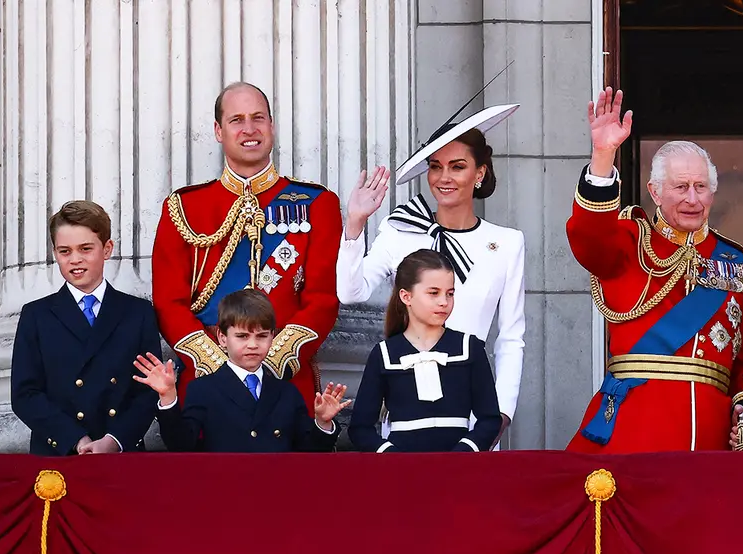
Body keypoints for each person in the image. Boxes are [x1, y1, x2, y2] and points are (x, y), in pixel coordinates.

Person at [565, 88, 743, 454]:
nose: (692, 199)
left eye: (701, 187)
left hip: (711, 437)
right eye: (681, 187)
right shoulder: (628, 242)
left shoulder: (736, 263)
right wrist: (603, 156)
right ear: (655, 192)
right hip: (634, 431)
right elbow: (588, 237)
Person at [337, 102, 524, 447]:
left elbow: (510, 336)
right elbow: (351, 292)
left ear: (480, 173)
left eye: (458, 166)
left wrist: (501, 414)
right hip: (409, 420)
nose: (444, 178)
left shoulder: (507, 243)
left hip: (476, 418)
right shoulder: (400, 230)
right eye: (435, 167)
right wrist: (355, 223)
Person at [151, 81, 342, 415]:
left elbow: (323, 299)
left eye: (258, 118)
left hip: (285, 385)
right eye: (236, 120)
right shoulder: (183, 207)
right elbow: (168, 303)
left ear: (272, 126)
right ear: (218, 131)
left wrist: (273, 361)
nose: (249, 129)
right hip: (206, 384)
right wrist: (216, 366)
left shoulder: (317, 204)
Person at [11, 201, 161, 455]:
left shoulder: (138, 313)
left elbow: (148, 391)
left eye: (85, 248)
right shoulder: (36, 315)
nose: (75, 260)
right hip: (60, 454)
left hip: (122, 455)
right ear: (55, 253)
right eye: (65, 251)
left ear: (107, 249)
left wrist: (114, 440)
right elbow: (25, 394)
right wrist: (76, 439)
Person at [136, 289, 348, 452]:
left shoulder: (287, 393)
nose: (253, 345)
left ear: (273, 336)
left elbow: (309, 453)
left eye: (262, 336)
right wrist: (168, 398)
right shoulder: (203, 389)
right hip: (223, 494)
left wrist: (323, 423)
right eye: (242, 336)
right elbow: (181, 445)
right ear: (222, 337)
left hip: (277, 495)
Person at [349, 249, 502, 452]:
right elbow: (360, 428)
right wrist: (393, 456)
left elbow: (490, 419)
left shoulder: (469, 348)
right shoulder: (384, 354)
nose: (443, 302)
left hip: (460, 472)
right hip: (404, 473)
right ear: (406, 296)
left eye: (450, 293)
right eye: (433, 293)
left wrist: (463, 453)